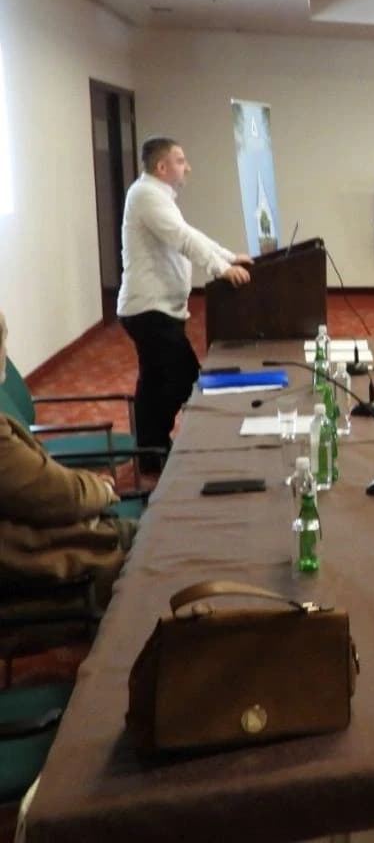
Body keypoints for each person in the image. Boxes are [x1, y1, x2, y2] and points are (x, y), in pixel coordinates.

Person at [117, 136, 252, 474]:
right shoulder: (146, 195)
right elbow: (182, 238)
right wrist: (221, 269)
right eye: (180, 161)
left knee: (158, 379)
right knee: (179, 378)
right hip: (149, 309)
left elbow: (190, 233)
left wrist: (227, 256)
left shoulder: (156, 195)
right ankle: (152, 448)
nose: (187, 167)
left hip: (159, 308)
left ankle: (151, 449)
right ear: (162, 166)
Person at [0, 310, 134, 604]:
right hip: (50, 571)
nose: (6, 353)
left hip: (49, 543)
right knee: (168, 549)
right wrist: (102, 489)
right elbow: (62, 497)